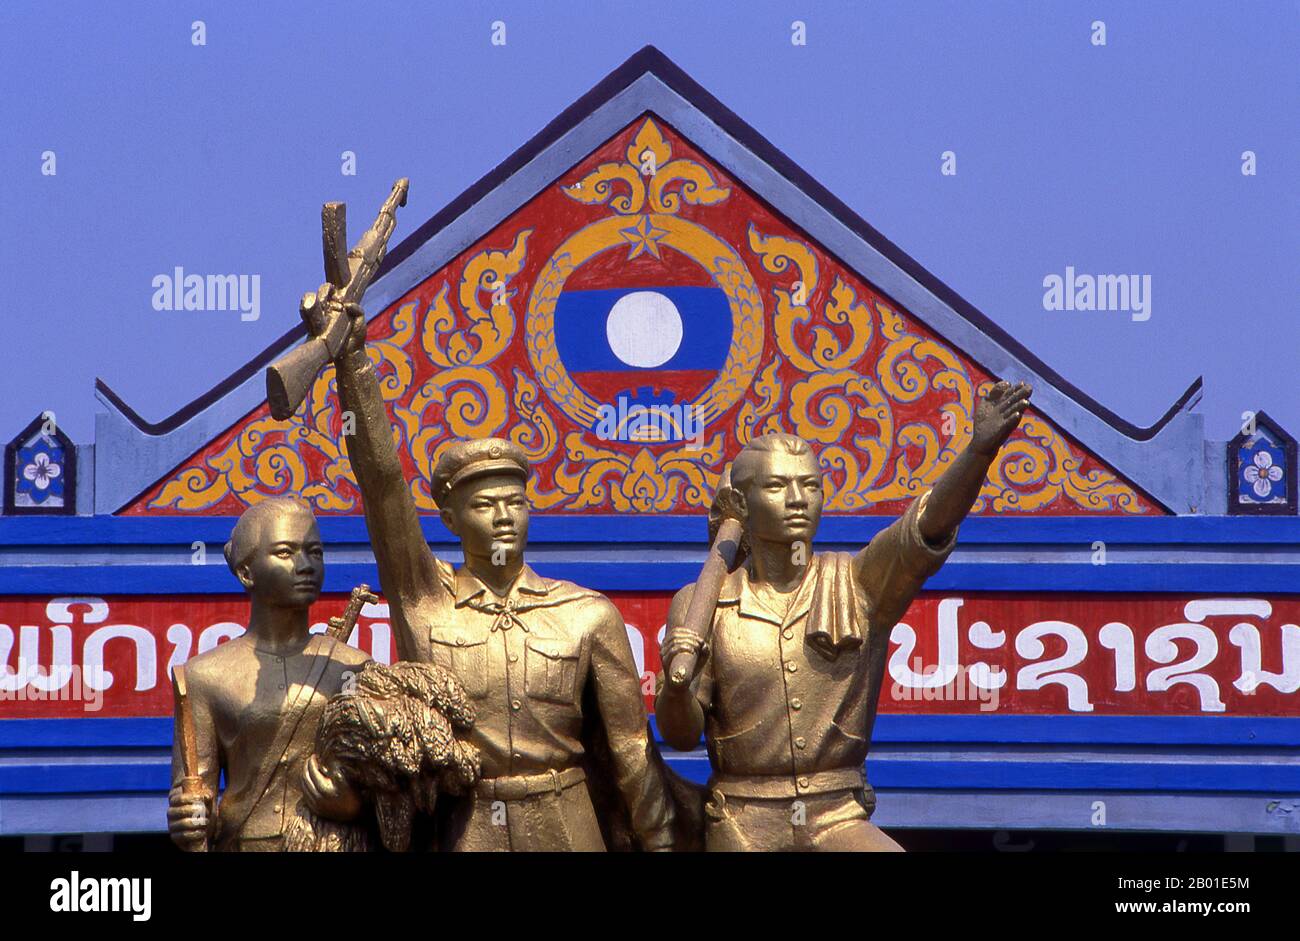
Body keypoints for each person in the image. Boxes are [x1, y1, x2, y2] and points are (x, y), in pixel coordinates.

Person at [325, 299, 676, 851]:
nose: (504, 515)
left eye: (515, 501)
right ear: (450, 519)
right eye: (485, 504)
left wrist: (658, 840)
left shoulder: (586, 614)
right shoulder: (426, 602)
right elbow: (382, 483)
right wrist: (352, 362)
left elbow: (632, 747)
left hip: (568, 820)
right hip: (467, 827)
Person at [656, 381, 1033, 851]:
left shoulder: (857, 583)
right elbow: (682, 735)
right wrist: (673, 687)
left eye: (809, 485)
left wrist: (978, 451)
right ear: (742, 506)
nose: (798, 498)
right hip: (742, 818)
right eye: (776, 486)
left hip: (837, 813)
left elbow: (926, 526)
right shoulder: (703, 603)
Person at [166, 496, 371, 852]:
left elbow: (389, 791)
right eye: (285, 552)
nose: (305, 565)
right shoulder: (205, 675)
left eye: (315, 552)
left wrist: (354, 805)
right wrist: (190, 818)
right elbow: (196, 790)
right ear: (247, 572)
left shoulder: (355, 668)